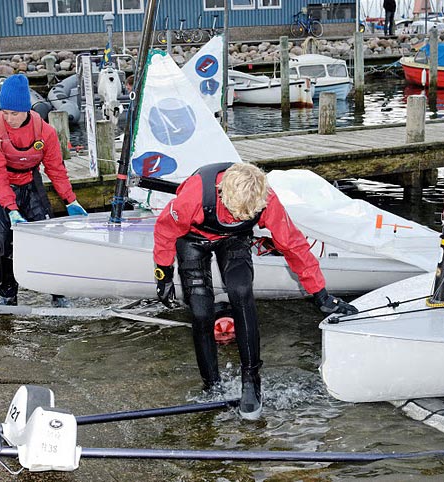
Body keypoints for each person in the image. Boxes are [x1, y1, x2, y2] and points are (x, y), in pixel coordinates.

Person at [153, 162, 357, 420]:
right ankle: (211, 384)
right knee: (202, 311)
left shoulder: (266, 199)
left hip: (234, 238)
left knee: (240, 290)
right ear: (222, 194)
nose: (240, 216)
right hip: (193, 238)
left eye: (246, 214)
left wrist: (320, 294)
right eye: (237, 212)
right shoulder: (194, 196)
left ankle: (251, 381)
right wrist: (163, 273)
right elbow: (164, 229)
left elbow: (293, 245)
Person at [0, 74, 88, 306]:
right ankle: (8, 293)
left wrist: (70, 200)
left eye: (14, 113)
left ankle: (57, 292)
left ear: (27, 110)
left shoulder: (45, 132)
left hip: (31, 182)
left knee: (48, 238)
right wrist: (10, 208)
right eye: (4, 112)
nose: (9, 118)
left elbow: (55, 168)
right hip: (3, 186)